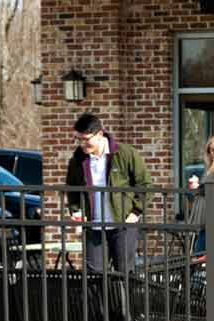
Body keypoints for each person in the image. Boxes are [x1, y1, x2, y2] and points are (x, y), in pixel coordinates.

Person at [65, 113, 153, 273]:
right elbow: (71, 188)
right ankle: (99, 300)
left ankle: (123, 299)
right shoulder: (77, 160)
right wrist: (76, 211)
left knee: (124, 274)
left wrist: (136, 212)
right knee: (93, 276)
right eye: (79, 139)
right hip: (93, 226)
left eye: (86, 139)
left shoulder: (125, 153)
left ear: (99, 134)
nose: (82, 144)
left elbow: (145, 184)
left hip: (123, 225)